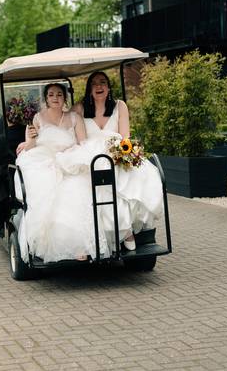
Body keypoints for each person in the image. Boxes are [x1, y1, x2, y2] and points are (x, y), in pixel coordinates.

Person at [59, 70, 164, 252]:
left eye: (103, 82)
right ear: (89, 89)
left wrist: (123, 153)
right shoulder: (79, 108)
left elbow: (125, 136)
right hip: (89, 153)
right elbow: (64, 126)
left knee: (126, 178)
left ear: (108, 87)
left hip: (116, 150)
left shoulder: (119, 106)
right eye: (94, 83)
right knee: (92, 180)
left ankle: (126, 229)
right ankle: (108, 233)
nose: (99, 86)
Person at [14, 82, 94, 262]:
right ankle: (54, 244)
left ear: (65, 97)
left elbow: (83, 144)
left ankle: (80, 245)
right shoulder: (37, 118)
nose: (55, 98)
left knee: (77, 192)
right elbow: (31, 146)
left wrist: (68, 155)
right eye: (51, 95)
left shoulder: (74, 118)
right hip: (45, 161)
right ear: (46, 99)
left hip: (69, 161)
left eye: (59, 94)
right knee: (49, 194)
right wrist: (31, 139)